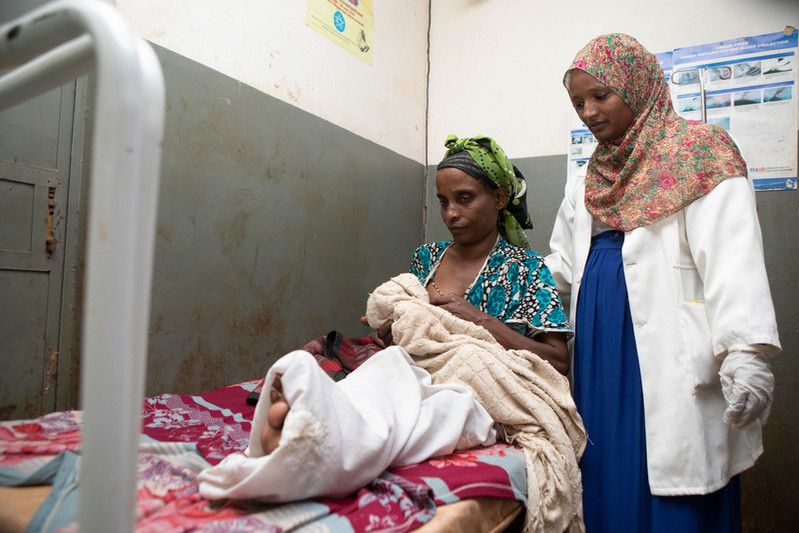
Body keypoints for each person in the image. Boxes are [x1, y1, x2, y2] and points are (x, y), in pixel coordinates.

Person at [545, 33, 781, 532]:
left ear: (636, 86)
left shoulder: (700, 152)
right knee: (604, 471)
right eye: (578, 102)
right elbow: (563, 267)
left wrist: (746, 351)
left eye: (600, 96)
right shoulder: (588, 177)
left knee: (676, 485)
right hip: (599, 353)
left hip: (673, 352)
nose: (588, 111)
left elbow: (732, 260)